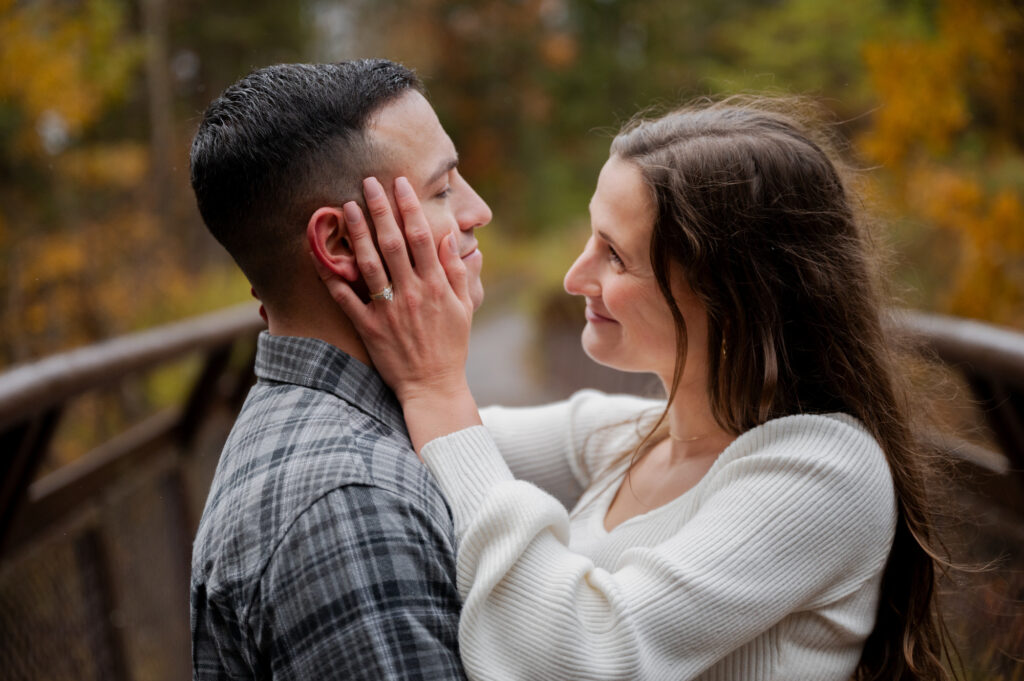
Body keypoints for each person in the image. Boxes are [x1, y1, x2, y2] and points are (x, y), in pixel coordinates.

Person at [318, 97, 956, 680]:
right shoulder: (629, 439)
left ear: (733, 298)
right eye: (589, 238)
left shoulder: (826, 471)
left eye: (614, 255)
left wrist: (436, 386)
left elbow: (594, 653)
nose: (575, 277)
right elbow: (428, 442)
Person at [188, 59, 491, 680]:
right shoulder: (348, 506)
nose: (478, 211)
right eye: (442, 190)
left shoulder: (351, 430)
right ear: (342, 245)